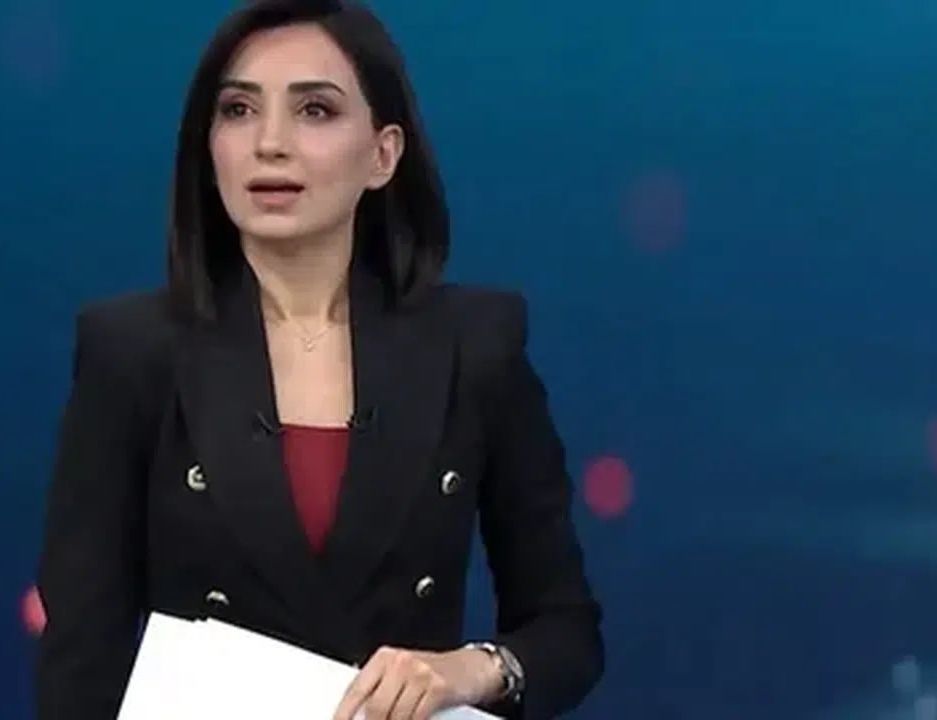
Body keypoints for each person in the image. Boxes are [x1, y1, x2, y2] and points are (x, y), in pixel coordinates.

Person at [33, 1, 604, 719]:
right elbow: (81, 662)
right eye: (239, 110)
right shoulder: (131, 352)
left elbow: (566, 630)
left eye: (315, 111)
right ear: (208, 148)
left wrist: (471, 670)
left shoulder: (476, 346)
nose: (270, 143)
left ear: (383, 155)